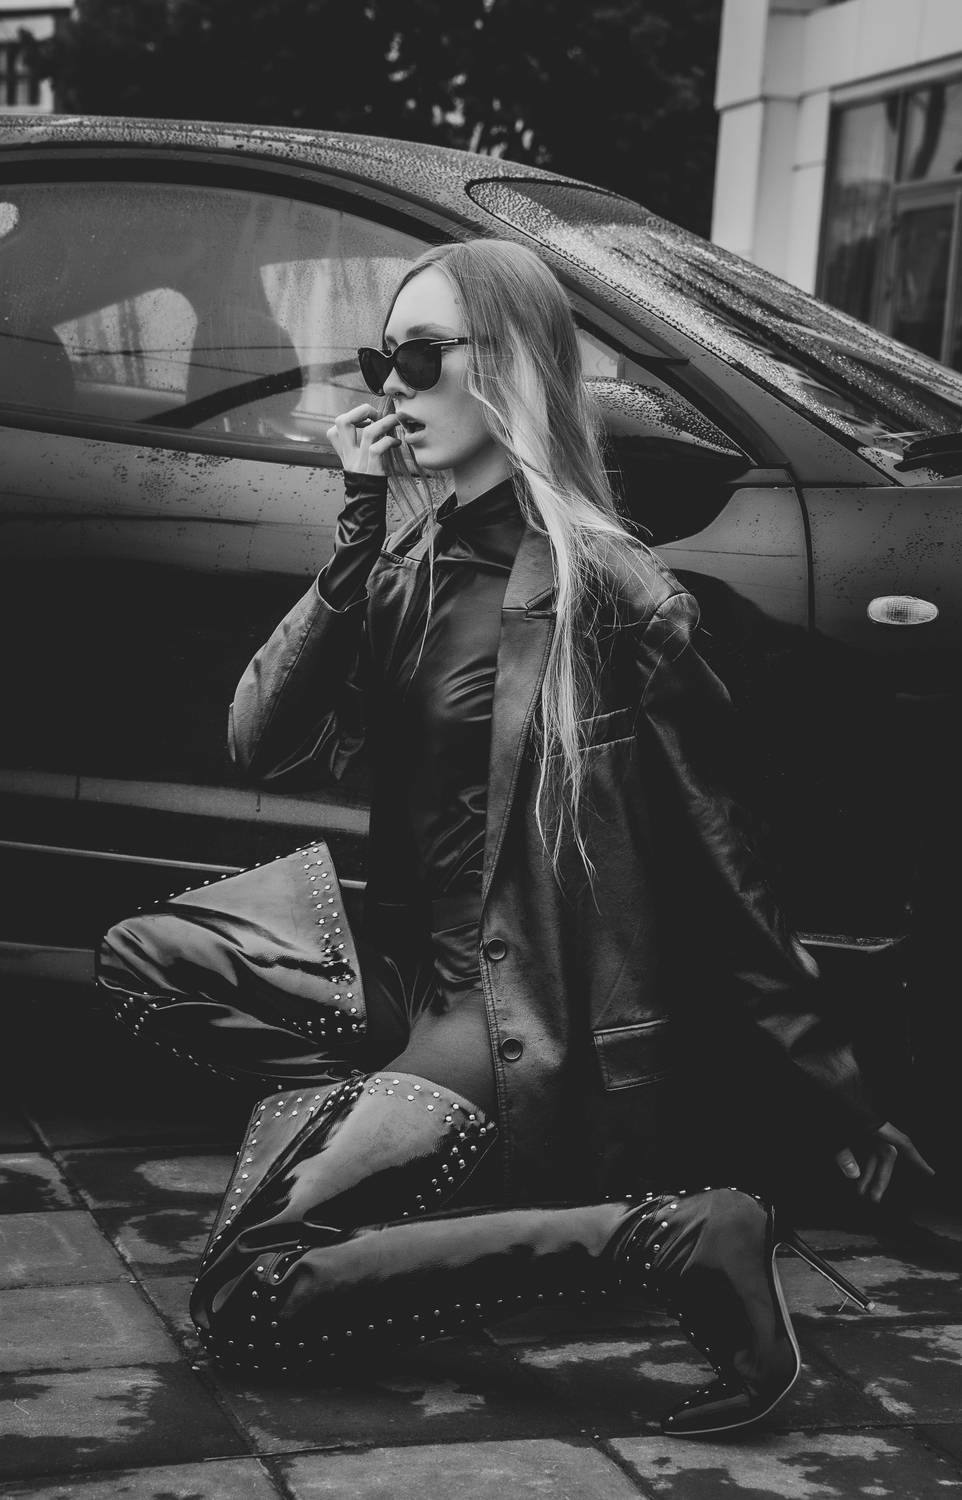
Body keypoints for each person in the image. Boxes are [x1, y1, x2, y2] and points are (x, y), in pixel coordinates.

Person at [97, 239, 932, 1438]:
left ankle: (670, 1238)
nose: (390, 387)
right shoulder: (408, 560)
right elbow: (257, 741)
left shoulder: (612, 595)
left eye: (420, 357)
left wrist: (848, 1118)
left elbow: (728, 883)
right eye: (380, 360)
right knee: (142, 957)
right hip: (395, 977)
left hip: (502, 1011)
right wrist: (356, 525)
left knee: (249, 1297)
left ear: (511, 369)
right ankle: (389, 1142)